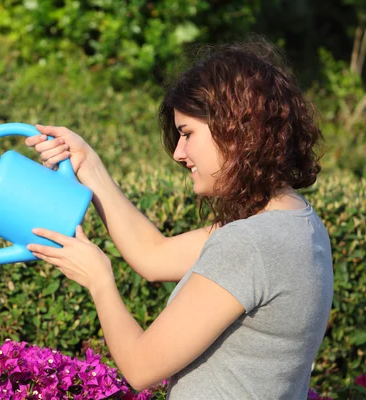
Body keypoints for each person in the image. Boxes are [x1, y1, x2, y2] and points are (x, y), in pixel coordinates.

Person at [24, 38, 334, 399]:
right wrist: (87, 165)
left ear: (237, 129)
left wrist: (99, 280)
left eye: (187, 133)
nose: (178, 153)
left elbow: (140, 367)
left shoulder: (249, 243)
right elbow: (154, 255)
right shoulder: (296, 222)